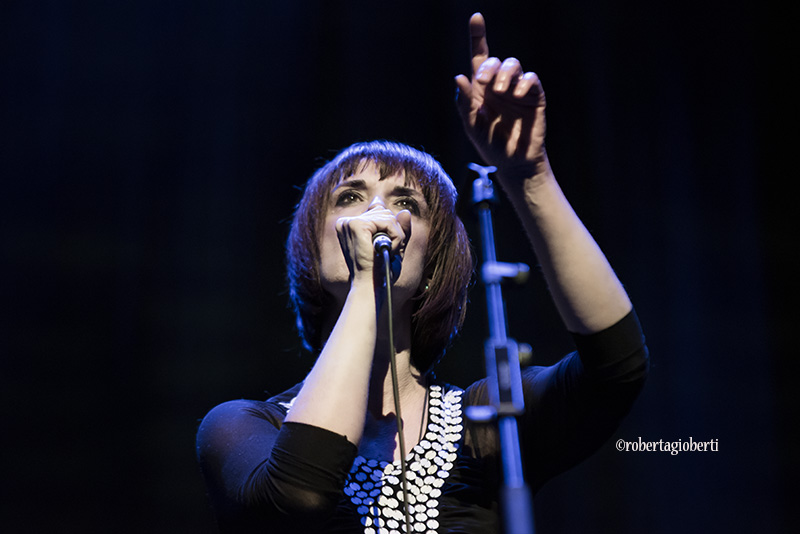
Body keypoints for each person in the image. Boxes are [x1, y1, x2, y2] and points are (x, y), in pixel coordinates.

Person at [196, 13, 648, 534]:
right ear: (310, 254)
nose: (378, 215)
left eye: (404, 201)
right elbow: (297, 493)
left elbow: (616, 369)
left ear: (433, 266)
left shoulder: (487, 424)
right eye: (350, 198)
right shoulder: (239, 427)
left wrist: (531, 176)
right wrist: (369, 283)